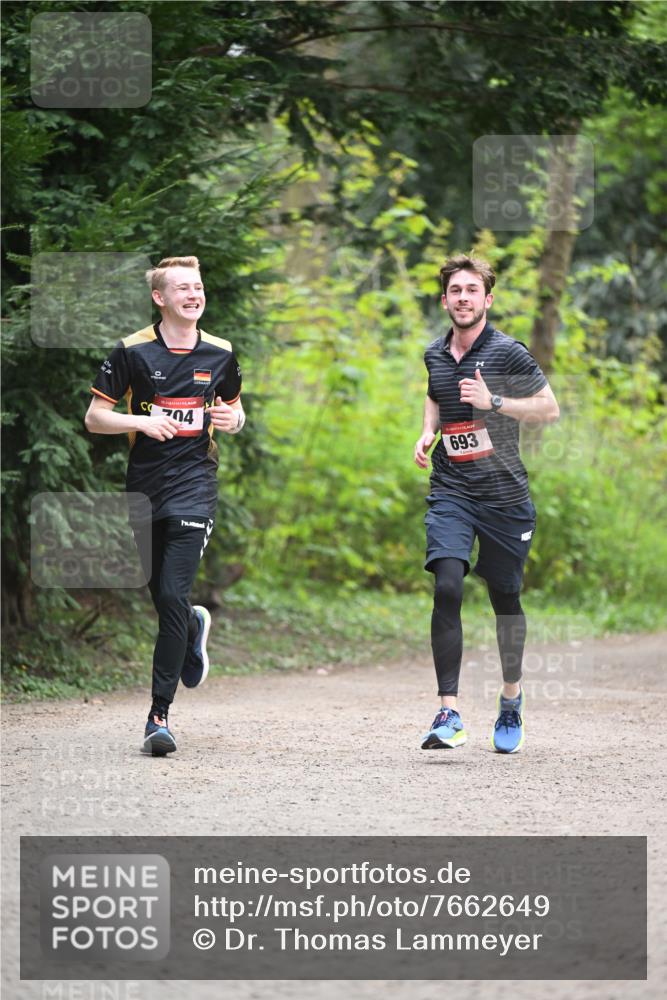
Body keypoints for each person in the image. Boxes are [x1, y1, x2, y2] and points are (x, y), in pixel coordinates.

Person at [85, 255, 244, 755]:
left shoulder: (220, 353)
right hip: (145, 487)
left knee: (173, 594)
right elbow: (95, 417)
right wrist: (141, 424)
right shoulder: (132, 351)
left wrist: (232, 418)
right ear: (161, 298)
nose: (194, 295)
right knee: (164, 600)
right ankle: (194, 626)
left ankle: (158, 716)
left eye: (198, 287)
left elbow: (235, 411)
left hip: (195, 485)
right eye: (182, 288)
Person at [414, 253, 559, 753]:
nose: (463, 299)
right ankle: (448, 711)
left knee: (505, 600)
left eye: (471, 291)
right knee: (448, 584)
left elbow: (549, 409)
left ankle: (511, 698)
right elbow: (435, 393)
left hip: (504, 498)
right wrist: (427, 432)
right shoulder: (435, 352)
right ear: (444, 299)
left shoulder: (508, 353)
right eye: (455, 291)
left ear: (487, 299)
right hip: (452, 489)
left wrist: (494, 401)